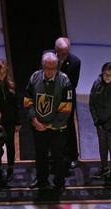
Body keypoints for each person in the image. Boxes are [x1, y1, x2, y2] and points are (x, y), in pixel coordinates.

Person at [24, 51, 74, 192]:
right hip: (38, 127)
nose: (49, 71)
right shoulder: (35, 77)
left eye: (53, 68)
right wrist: (34, 120)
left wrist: (51, 124)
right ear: (42, 66)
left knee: (58, 157)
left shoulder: (65, 81)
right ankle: (41, 180)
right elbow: (28, 100)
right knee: (40, 156)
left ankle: (59, 182)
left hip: (57, 129)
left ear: (57, 67)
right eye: (47, 67)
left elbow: (67, 107)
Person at [55, 37, 82, 169]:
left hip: (67, 100)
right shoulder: (48, 57)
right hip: (52, 99)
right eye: (61, 53)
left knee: (69, 127)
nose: (63, 56)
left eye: (66, 52)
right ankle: (56, 153)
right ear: (56, 50)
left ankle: (73, 156)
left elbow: (73, 84)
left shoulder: (75, 62)